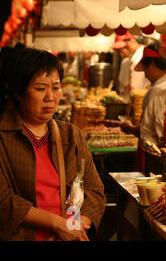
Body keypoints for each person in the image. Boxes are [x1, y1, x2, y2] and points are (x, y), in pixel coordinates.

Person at [0, 48, 106, 240]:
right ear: (17, 91)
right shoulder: (3, 136)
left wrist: (75, 226)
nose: (51, 97)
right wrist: (57, 224)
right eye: (40, 89)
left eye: (56, 88)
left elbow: (95, 191)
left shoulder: (71, 135)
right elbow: (3, 201)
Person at [121, 38, 166, 137]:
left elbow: (144, 131)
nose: (145, 75)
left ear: (152, 65)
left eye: (145, 68)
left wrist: (128, 128)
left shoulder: (154, 92)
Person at [111, 33, 132, 98]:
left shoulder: (125, 62)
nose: (121, 55)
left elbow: (123, 82)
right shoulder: (126, 62)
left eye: (122, 51)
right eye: (119, 52)